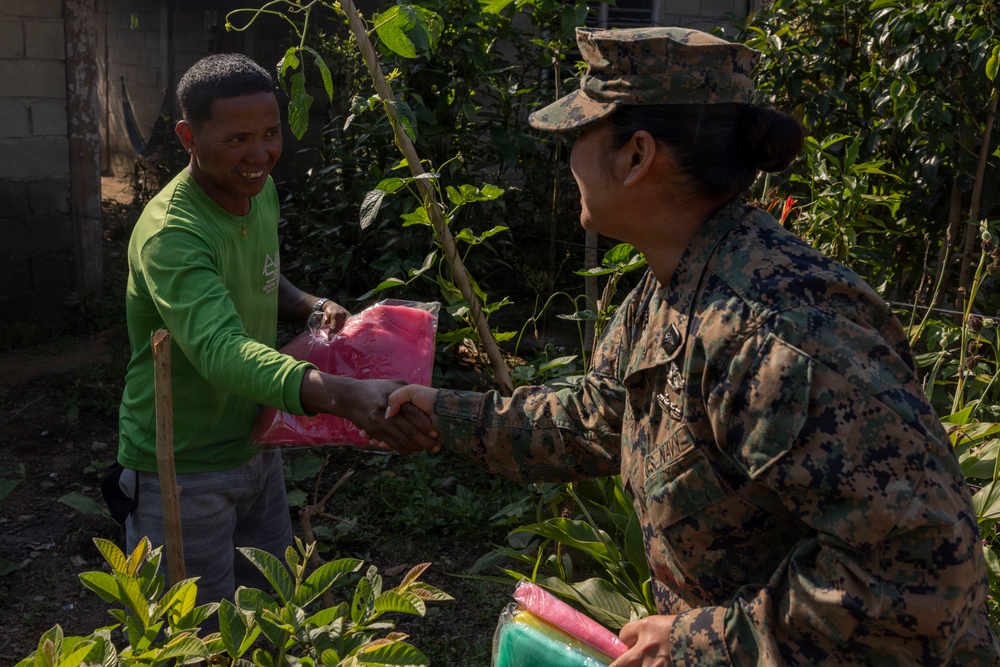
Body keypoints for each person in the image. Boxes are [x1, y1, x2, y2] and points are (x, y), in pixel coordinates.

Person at [381, 27, 1000, 665]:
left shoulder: (777, 334)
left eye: (578, 136)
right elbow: (596, 417)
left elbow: (923, 580)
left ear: (635, 157)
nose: (568, 161)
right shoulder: (674, 287)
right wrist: (437, 414)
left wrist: (700, 642)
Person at [111, 53, 434, 613]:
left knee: (275, 606)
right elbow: (218, 350)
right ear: (189, 135)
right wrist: (342, 393)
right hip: (183, 468)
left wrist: (309, 304)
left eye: (269, 133)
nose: (259, 155)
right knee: (195, 630)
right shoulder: (172, 234)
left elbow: (260, 272)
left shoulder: (257, 191)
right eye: (237, 139)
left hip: (259, 440)